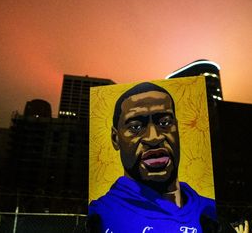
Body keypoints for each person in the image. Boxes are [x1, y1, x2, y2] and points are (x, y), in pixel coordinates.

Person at [88, 82, 218, 233]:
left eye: (165, 123)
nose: (153, 137)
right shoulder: (98, 216)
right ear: (115, 138)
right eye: (136, 127)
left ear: (177, 129)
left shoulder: (210, 212)